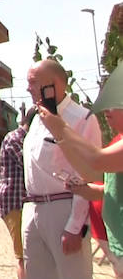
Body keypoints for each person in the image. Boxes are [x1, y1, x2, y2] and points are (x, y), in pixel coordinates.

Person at [37, 64, 123, 277]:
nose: (107, 111)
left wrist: (60, 128)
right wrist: (86, 190)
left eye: (114, 105)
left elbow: (96, 160)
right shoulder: (117, 141)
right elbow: (98, 176)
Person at [21, 60, 100, 279]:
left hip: (63, 207)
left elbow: (88, 174)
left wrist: (75, 225)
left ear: (54, 84)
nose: (28, 88)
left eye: (33, 82)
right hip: (33, 208)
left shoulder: (82, 118)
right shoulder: (37, 118)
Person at [0, 107, 36, 279]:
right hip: (15, 202)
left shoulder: (31, 138)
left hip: (27, 202)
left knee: (33, 254)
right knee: (23, 256)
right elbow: (30, 165)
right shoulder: (15, 138)